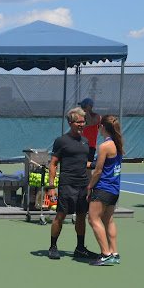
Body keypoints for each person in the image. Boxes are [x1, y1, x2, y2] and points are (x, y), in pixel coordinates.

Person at [47, 107, 99, 260]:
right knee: (61, 216)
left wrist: (99, 164)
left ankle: (80, 248)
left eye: (84, 121)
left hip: (82, 185)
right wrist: (51, 187)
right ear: (70, 123)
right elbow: (53, 164)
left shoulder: (85, 142)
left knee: (82, 216)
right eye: (79, 122)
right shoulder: (61, 141)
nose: (82, 124)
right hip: (67, 185)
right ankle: (53, 246)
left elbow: (85, 163)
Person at [86, 115, 123, 266]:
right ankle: (114, 253)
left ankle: (105, 254)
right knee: (108, 220)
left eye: (99, 126)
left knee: (93, 219)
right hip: (114, 189)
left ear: (103, 127)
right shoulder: (117, 144)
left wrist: (90, 186)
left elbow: (98, 171)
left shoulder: (104, 146)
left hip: (103, 188)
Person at [79, 98, 102, 163]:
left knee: (88, 166)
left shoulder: (96, 116)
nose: (82, 107)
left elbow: (91, 123)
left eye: (84, 106)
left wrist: (87, 111)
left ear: (89, 106)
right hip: (80, 144)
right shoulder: (81, 116)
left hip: (90, 146)